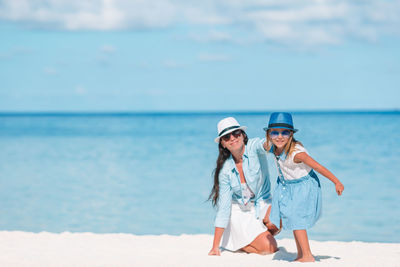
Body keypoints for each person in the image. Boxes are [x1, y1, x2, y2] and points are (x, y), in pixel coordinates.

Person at [263, 112, 344, 262]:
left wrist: (336, 182)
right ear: (269, 134)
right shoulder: (272, 147)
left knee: (297, 219)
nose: (279, 136)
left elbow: (318, 167)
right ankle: (300, 254)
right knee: (293, 219)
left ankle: (307, 256)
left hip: (303, 186)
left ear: (291, 134)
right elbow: (257, 146)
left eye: (285, 132)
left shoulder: (297, 154)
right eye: (275, 132)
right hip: (287, 186)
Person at [208, 117, 279, 256]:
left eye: (236, 133)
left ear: (243, 135)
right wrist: (215, 246)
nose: (232, 138)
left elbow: (265, 145)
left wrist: (277, 136)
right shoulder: (225, 171)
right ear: (222, 143)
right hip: (240, 212)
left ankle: (255, 236)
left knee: (277, 220)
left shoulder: (253, 148)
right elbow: (224, 208)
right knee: (269, 248)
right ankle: (247, 242)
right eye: (226, 137)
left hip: (262, 203)